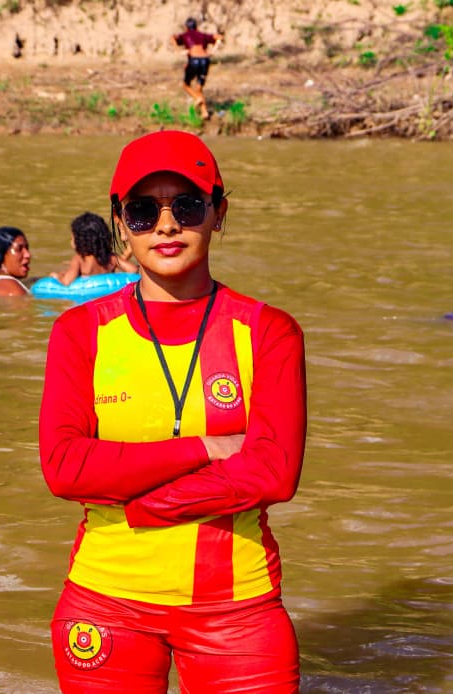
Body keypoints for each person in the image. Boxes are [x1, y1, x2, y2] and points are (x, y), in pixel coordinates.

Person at [39, 130, 305, 692]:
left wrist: (143, 505)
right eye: (143, 211)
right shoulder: (79, 332)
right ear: (121, 222)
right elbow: (64, 469)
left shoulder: (269, 331)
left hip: (238, 613)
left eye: (186, 206)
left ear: (218, 213)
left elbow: (274, 475)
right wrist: (206, 448)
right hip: (105, 603)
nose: (165, 226)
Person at [50, 211, 138, 286]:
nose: (71, 241)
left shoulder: (79, 259)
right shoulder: (112, 258)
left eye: (73, 237)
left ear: (80, 241)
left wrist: (57, 277)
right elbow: (133, 270)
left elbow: (67, 281)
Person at [172, 17, 223, 119]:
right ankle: (205, 113)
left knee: (186, 85)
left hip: (194, 60)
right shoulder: (203, 35)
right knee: (199, 88)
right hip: (205, 61)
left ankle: (197, 99)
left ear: (186, 27)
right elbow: (219, 37)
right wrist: (213, 50)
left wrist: (179, 51)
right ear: (196, 27)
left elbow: (173, 38)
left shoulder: (185, 35)